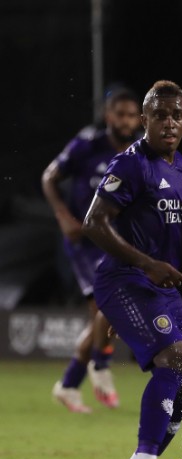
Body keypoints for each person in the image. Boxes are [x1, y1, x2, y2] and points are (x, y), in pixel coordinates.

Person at [83, 80, 182, 459]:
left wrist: (137, 312)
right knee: (171, 360)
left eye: (177, 115)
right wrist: (144, 269)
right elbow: (93, 223)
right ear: (146, 120)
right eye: (161, 115)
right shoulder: (131, 164)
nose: (170, 123)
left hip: (154, 286)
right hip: (125, 278)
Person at [41, 88, 142, 413]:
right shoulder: (88, 144)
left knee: (105, 313)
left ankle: (70, 384)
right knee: (108, 306)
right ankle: (99, 364)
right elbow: (50, 177)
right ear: (108, 115)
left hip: (116, 240)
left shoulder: (141, 151)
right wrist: (63, 217)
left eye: (131, 115)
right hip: (85, 242)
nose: (126, 121)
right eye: (120, 114)